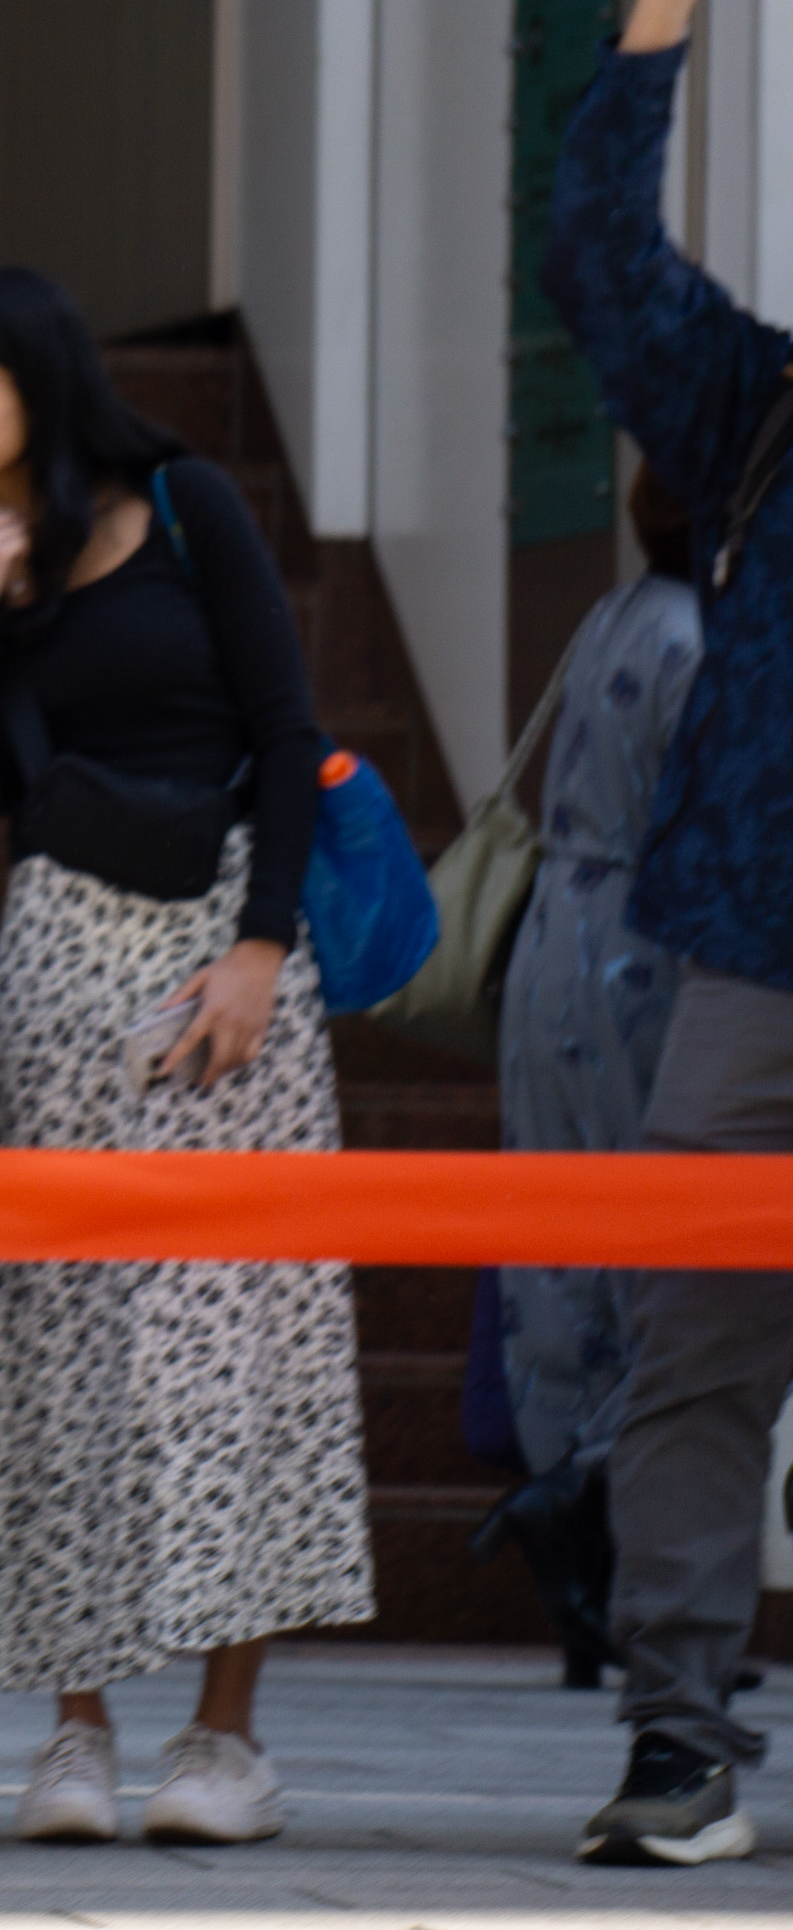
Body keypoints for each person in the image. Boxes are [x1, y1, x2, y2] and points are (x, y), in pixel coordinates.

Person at [0, 266, 372, 1848]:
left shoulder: (185, 503)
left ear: (39, 378)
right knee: (59, 1347)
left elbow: (284, 733)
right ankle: (75, 1729)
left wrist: (264, 948)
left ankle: (226, 1740)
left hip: (229, 953)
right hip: (57, 967)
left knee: (241, 1345)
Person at [534, 0, 793, 1870]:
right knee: (695, 1352)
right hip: (751, 949)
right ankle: (681, 1737)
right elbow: (597, 263)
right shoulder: (763, 404)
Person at [474, 467, 702, 1688]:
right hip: (646, 962)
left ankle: (575, 1547)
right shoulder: (706, 641)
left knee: (561, 1245)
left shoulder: (615, 615)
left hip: (555, 943)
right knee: (657, 1252)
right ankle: (609, 1538)